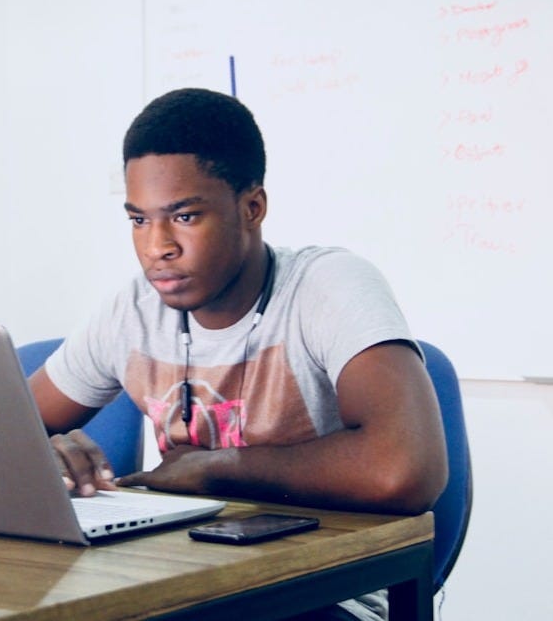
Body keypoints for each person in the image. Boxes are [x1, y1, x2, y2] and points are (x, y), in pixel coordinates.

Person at [28, 87, 448, 621]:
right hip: (182, 579)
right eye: (138, 220)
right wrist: (42, 455)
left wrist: (216, 467)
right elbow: (0, 431)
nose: (157, 246)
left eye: (183, 217)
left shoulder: (328, 286)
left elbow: (404, 470)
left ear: (252, 208)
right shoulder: (131, 309)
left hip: (325, 589)